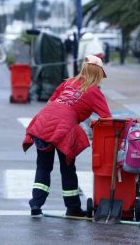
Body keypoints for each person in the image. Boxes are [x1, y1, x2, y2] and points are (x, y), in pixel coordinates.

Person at [22, 55, 112, 217]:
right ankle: (73, 208)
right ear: (98, 74)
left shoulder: (68, 83)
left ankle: (36, 205)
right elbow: (107, 118)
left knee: (43, 167)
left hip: (43, 121)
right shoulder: (94, 91)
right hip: (65, 127)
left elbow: (52, 101)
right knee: (68, 169)